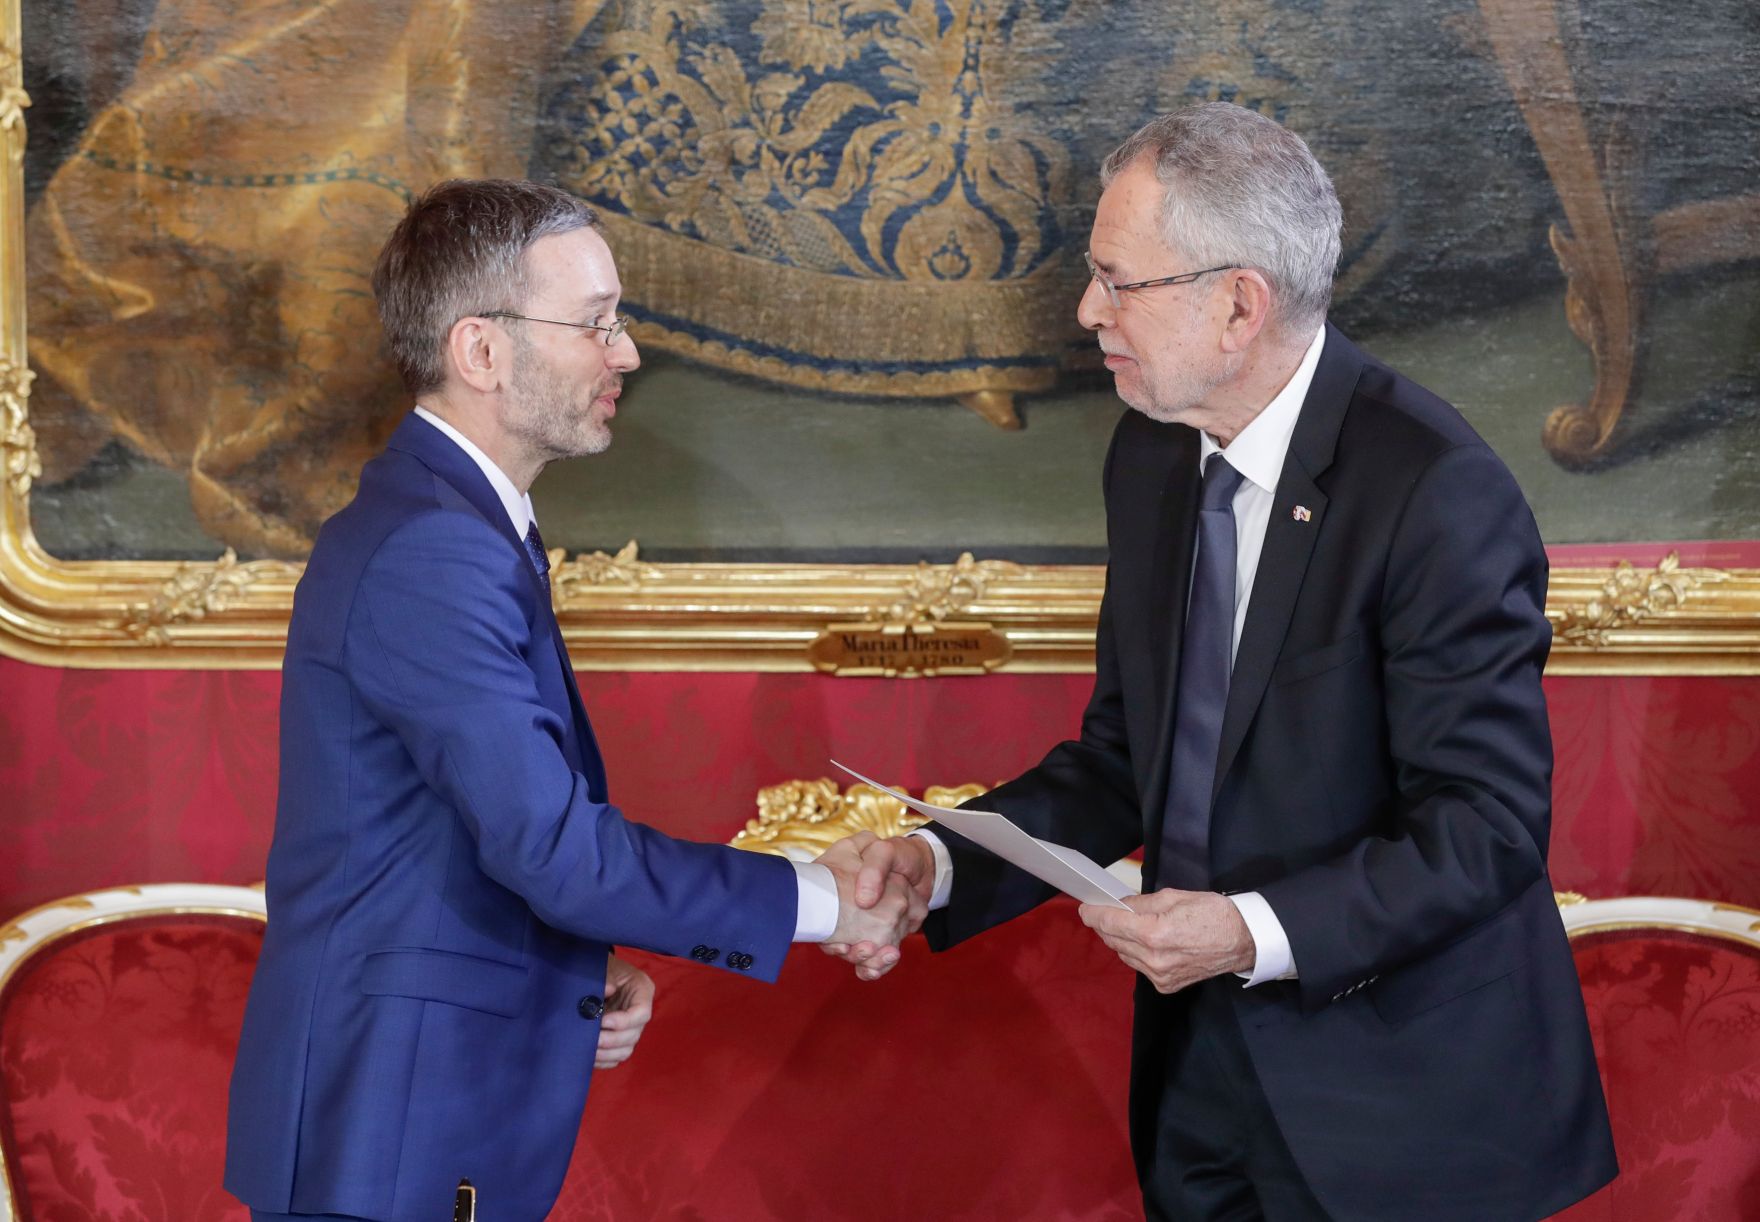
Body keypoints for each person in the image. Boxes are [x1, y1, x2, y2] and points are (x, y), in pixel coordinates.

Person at [831, 103, 1617, 1221]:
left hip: (1398, 1116)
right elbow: (1126, 757)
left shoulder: (1432, 491)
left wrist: (1248, 930)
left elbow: (1481, 829)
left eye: (1117, 280)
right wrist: (940, 862)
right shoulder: (1151, 450)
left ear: (1237, 303)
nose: (1085, 310)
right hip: (1201, 1084)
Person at [224, 179, 919, 1222]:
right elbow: (552, 850)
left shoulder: (455, 520)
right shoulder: (435, 548)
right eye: (594, 323)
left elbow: (459, 838)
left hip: (408, 1110)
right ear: (482, 353)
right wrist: (823, 901)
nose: (625, 352)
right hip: (394, 1127)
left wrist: (573, 973)